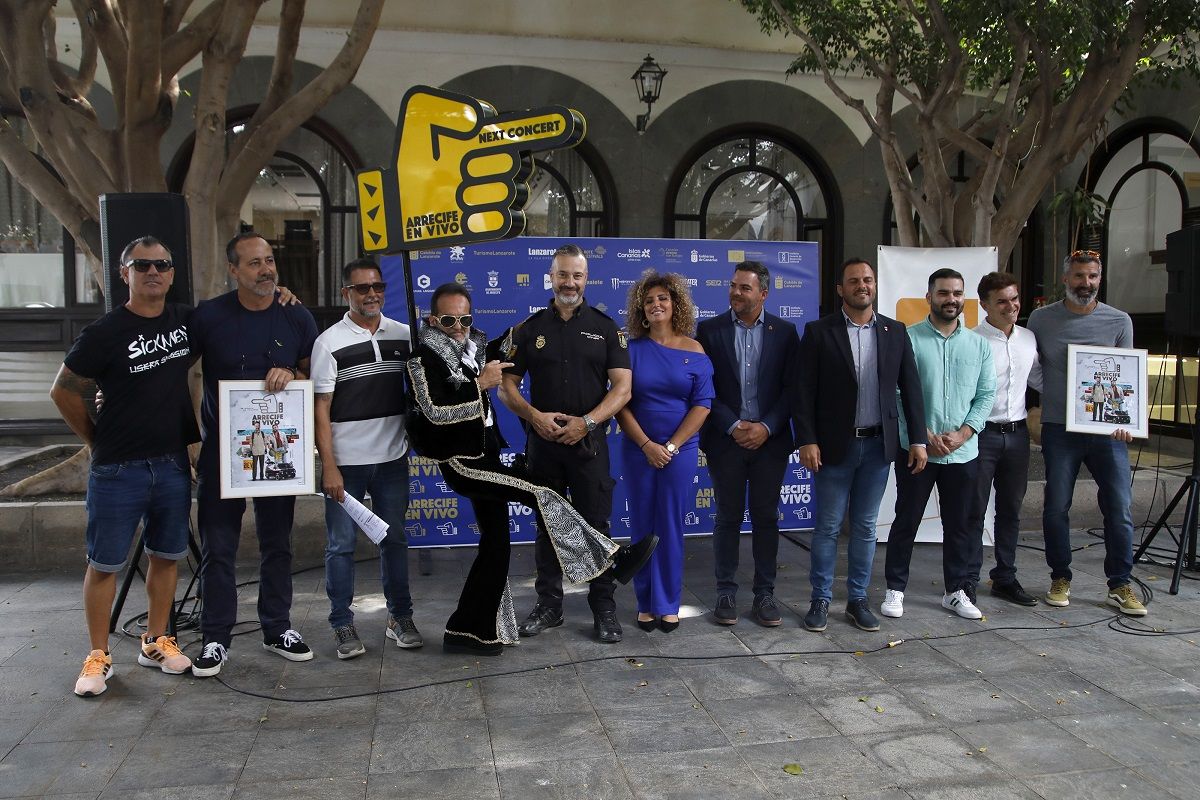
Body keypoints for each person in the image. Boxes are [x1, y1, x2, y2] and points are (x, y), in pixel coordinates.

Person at [409, 283, 655, 655]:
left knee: (496, 545)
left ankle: (469, 631)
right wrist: (480, 386)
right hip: (461, 463)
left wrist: (524, 329)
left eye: (465, 319)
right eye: (448, 320)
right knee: (543, 491)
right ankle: (612, 560)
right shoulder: (422, 358)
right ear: (433, 320)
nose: (458, 326)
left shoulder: (469, 349)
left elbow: (504, 349)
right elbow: (434, 412)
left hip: (486, 456)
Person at [51, 236, 196, 696]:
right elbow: (64, 390)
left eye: (162, 264)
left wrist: (286, 296)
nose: (153, 272)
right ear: (124, 274)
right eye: (142, 265)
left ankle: (155, 640)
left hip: (172, 463)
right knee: (105, 563)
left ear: (172, 273)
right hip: (118, 468)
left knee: (167, 556)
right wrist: (95, 440)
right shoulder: (104, 332)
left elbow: (242, 312)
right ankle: (98, 656)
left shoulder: (186, 322)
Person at [189, 232, 320, 677]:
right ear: (233, 270)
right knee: (218, 547)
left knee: (277, 543)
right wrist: (190, 434)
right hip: (220, 454)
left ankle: (277, 627)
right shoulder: (208, 317)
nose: (266, 270)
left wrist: (292, 372)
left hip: (278, 453)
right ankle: (215, 638)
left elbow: (311, 373)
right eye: (254, 263)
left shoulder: (296, 315)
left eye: (269, 261)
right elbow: (180, 372)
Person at [499, 243, 633, 643]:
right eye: (562, 274)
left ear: (586, 279)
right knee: (547, 527)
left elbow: (623, 388)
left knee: (597, 526)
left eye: (576, 275)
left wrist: (588, 421)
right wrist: (533, 416)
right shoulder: (527, 329)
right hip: (542, 446)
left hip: (588, 446)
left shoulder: (608, 328)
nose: (569, 282)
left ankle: (604, 609)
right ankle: (549, 606)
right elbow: (507, 385)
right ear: (551, 277)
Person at [795, 258, 927, 633]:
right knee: (828, 527)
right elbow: (802, 392)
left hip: (877, 449)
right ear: (841, 289)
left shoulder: (894, 331)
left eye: (867, 280)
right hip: (834, 448)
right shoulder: (819, 332)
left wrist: (917, 438)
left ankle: (857, 599)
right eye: (853, 281)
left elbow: (912, 391)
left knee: (867, 527)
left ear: (875, 285)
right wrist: (807, 439)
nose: (862, 286)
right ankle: (820, 599)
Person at [311, 257, 420, 659]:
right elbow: (321, 407)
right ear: (346, 294)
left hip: (392, 460)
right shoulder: (328, 343)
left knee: (395, 540)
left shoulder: (405, 335)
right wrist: (330, 466)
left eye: (377, 286)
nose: (371, 293)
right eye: (361, 288)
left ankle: (400, 618)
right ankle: (342, 624)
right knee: (340, 546)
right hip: (347, 467)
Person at [1028, 249, 1146, 616]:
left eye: (1092, 277)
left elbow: (1126, 377)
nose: (1086, 283)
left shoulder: (1119, 320)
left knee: (1119, 508)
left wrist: (1125, 422)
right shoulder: (1042, 319)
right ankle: (1060, 576)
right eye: (1079, 276)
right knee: (1055, 506)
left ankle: (1120, 583)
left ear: (1100, 278)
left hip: (1108, 434)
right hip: (1059, 429)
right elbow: (1032, 367)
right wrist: (1056, 397)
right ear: (1066, 279)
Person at [883, 268, 995, 620]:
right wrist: (922, 435)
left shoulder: (978, 345)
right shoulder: (908, 339)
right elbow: (897, 393)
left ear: (965, 298)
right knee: (907, 520)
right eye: (944, 293)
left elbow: (985, 395)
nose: (951, 299)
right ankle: (895, 590)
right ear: (929, 297)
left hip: (963, 452)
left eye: (957, 293)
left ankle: (956, 591)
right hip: (917, 452)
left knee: (960, 524)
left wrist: (963, 433)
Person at [696, 261, 798, 626]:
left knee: (767, 517)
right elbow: (705, 389)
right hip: (727, 440)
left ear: (763, 294)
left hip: (770, 443)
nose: (736, 293)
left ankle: (764, 594)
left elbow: (792, 389)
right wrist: (735, 424)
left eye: (745, 288)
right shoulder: (709, 330)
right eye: (733, 286)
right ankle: (725, 590)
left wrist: (767, 427)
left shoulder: (785, 333)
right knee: (727, 515)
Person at [615, 271, 714, 632]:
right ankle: (645, 602)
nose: (656, 304)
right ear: (641, 309)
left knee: (670, 525)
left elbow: (702, 404)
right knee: (642, 524)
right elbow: (620, 403)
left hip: (680, 451)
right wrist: (646, 445)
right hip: (637, 449)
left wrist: (670, 446)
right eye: (649, 300)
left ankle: (668, 603)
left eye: (663, 299)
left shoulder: (695, 349)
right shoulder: (629, 349)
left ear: (676, 305)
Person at [967, 272, 1042, 607]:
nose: (1011, 306)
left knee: (1010, 509)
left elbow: (1040, 377)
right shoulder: (972, 341)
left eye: (1014, 299)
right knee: (974, 510)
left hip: (1018, 435)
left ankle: (1005, 577)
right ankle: (966, 579)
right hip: (982, 436)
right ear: (984, 305)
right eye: (1002, 301)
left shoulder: (1029, 338)